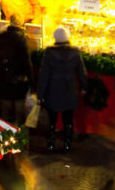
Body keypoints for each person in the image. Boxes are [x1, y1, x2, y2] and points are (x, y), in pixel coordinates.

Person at [36, 25, 87, 153]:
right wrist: (83, 87)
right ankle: (67, 144)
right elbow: (82, 72)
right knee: (68, 120)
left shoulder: (49, 52)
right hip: (70, 89)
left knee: (51, 121)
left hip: (52, 90)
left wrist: (40, 94)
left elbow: (44, 75)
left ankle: (51, 144)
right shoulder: (75, 52)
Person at [0, 16, 33, 125]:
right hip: (18, 80)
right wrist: (31, 80)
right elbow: (26, 62)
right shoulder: (23, 39)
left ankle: (5, 136)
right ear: (21, 24)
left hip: (3, 79)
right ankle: (19, 136)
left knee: (5, 111)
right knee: (19, 112)